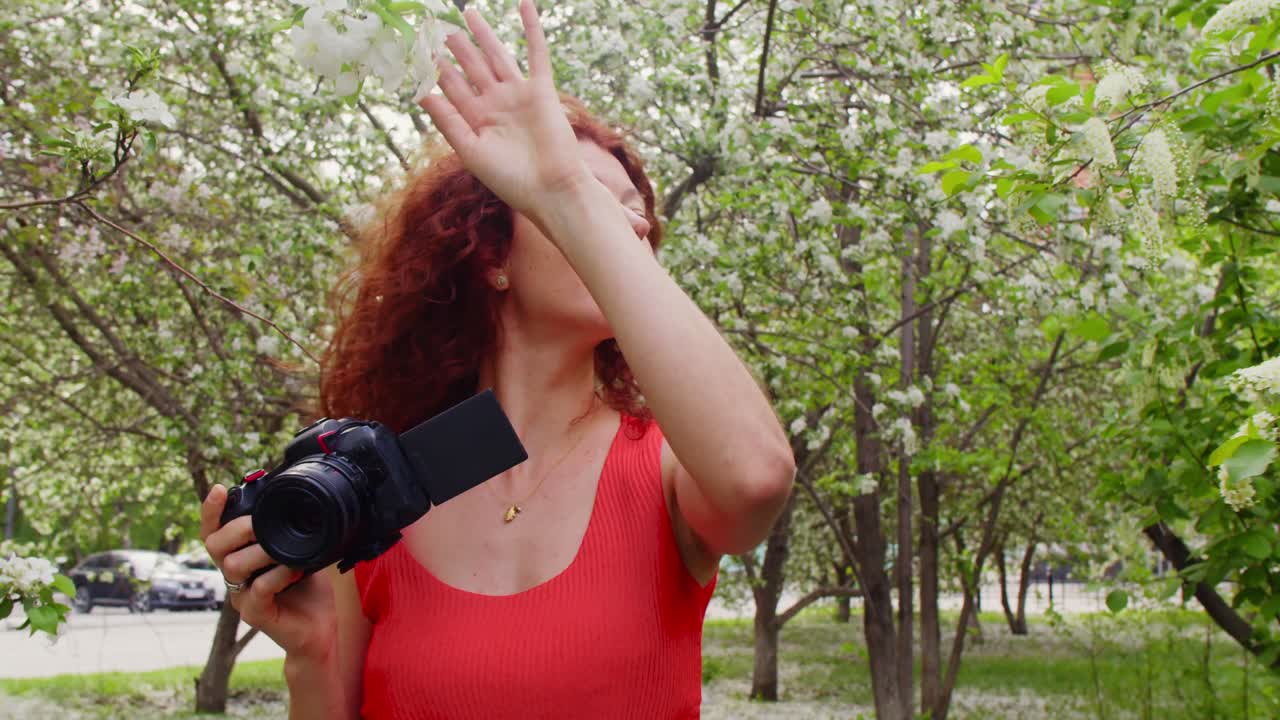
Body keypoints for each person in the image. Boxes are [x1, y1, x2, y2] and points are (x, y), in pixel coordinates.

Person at [199, 1, 795, 717]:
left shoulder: (668, 468)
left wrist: (571, 194)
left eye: (635, 212)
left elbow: (757, 479)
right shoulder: (380, 498)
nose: (631, 225)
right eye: (586, 201)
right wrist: (312, 650)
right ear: (491, 258)